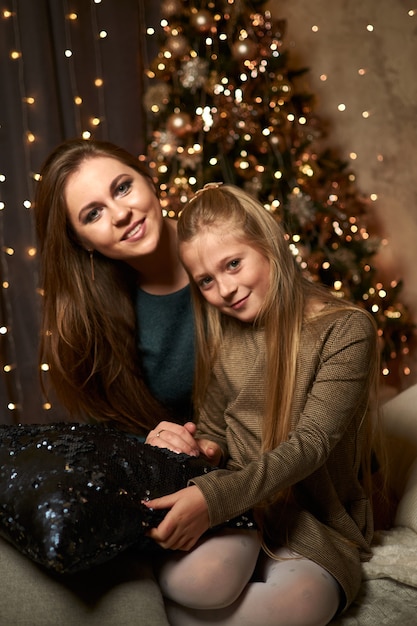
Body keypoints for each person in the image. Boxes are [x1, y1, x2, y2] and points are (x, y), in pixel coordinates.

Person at [144, 183, 381, 626]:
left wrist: (214, 498)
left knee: (301, 605)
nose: (226, 290)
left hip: (312, 520)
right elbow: (214, 429)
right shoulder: (225, 332)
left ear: (269, 242)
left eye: (234, 264)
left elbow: (309, 446)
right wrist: (199, 446)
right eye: (207, 281)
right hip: (244, 506)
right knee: (193, 583)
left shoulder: (346, 330)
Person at [34, 137, 201, 445]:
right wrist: (153, 445)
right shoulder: (94, 319)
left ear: (149, 181)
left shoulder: (228, 234)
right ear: (82, 241)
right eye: (93, 214)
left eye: (123, 188)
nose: (121, 213)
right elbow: (111, 437)